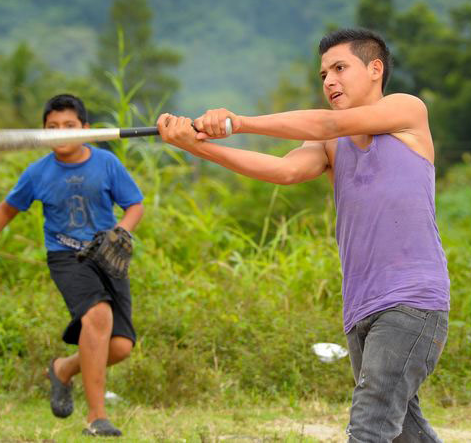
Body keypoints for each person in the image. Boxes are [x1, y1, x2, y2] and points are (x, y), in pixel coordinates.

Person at [158, 28, 450, 442]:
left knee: (369, 426)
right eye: (323, 74)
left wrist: (237, 122)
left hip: (413, 300)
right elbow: (284, 170)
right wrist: (196, 146)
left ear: (375, 69)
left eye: (340, 68)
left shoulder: (406, 111)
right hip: (361, 307)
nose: (329, 80)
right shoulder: (332, 144)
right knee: (404, 432)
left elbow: (328, 121)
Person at [0, 94, 144, 437]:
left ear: (86, 130)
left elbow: (134, 205)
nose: (60, 133)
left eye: (69, 127)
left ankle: (62, 369)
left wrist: (121, 231)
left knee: (119, 347)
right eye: (52, 128)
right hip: (67, 257)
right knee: (97, 316)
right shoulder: (38, 172)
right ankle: (96, 417)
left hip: (106, 254)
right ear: (43, 133)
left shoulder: (106, 164)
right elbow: (6, 209)